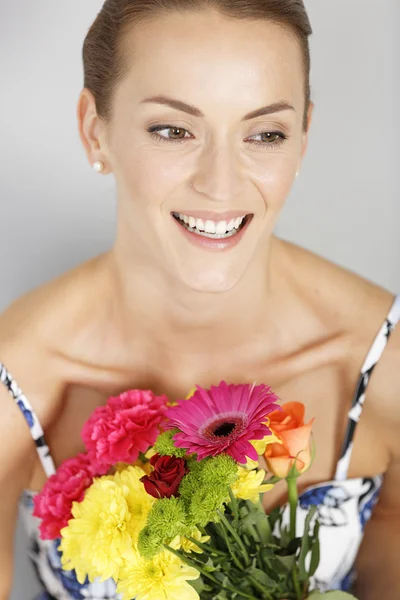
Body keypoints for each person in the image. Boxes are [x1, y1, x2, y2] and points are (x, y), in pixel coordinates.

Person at [0, 1, 399, 599]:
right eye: (173, 130)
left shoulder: (383, 358)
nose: (222, 184)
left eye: (265, 134)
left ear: (304, 136)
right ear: (94, 129)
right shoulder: (18, 380)